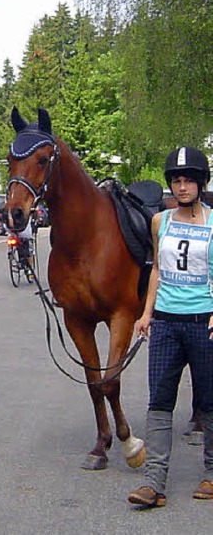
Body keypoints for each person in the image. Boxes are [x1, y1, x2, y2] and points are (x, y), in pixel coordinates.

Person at [127, 146, 213, 508]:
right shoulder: (160, 221)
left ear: (200, 183)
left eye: (188, 181)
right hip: (165, 322)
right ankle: (154, 482)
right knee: (159, 401)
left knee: (209, 399)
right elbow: (158, 271)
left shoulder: (212, 222)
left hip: (202, 323)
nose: (181, 187)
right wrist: (147, 314)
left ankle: (211, 472)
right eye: (176, 181)